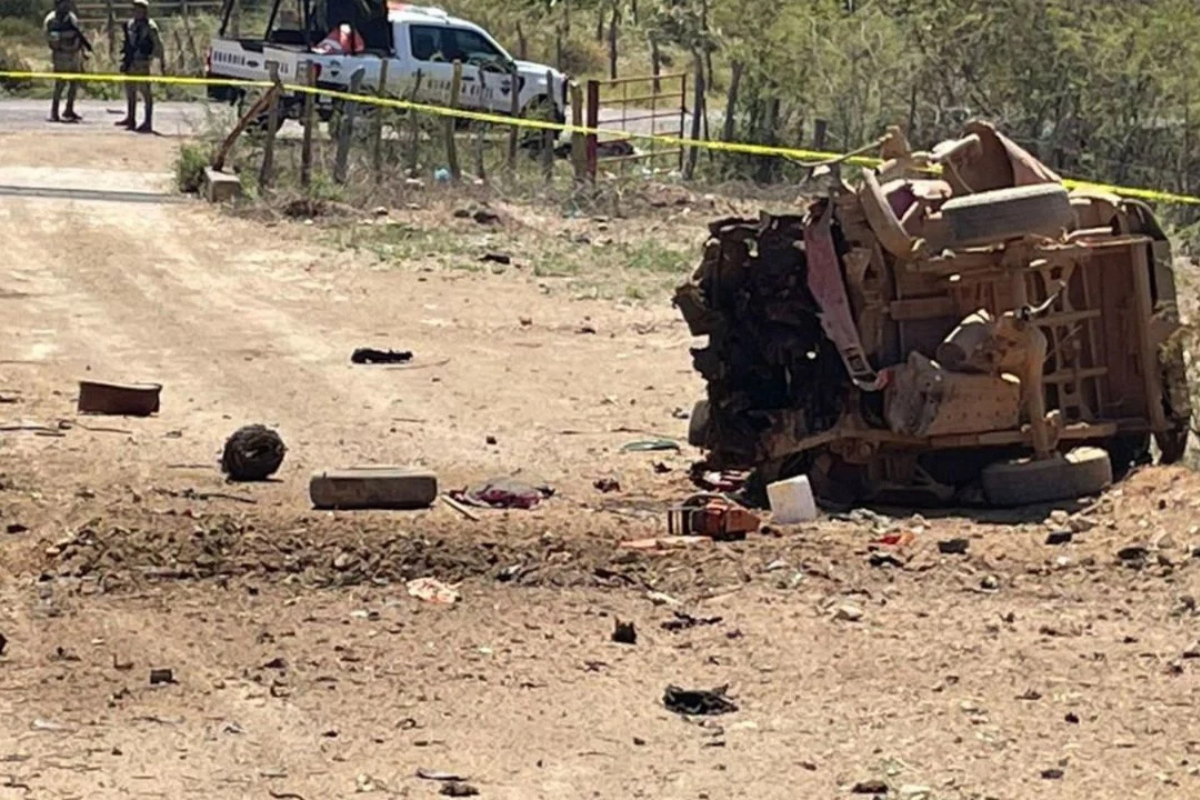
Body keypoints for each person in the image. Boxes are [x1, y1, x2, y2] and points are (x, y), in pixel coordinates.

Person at [117, 0, 164, 133]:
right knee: (130, 91)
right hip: (131, 62)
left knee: (145, 93)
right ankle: (130, 119)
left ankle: (147, 122)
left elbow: (158, 45)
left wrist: (154, 59)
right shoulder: (131, 24)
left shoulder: (150, 26)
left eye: (140, 9)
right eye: (135, 9)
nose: (137, 11)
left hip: (142, 63)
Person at [43, 0, 92, 123]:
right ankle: (54, 112)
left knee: (74, 83)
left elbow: (78, 34)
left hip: (74, 54)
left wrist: (82, 51)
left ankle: (69, 109)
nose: (66, 5)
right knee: (60, 84)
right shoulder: (51, 19)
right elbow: (52, 38)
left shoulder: (71, 18)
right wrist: (65, 36)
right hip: (61, 55)